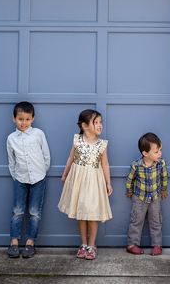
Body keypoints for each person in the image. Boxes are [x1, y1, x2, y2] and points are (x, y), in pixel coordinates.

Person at [58, 109, 113, 260]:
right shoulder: (77, 139)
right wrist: (65, 174)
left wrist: (108, 183)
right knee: (81, 214)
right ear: (84, 126)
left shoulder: (102, 144)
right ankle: (83, 244)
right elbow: (70, 158)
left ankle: (92, 245)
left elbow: (105, 164)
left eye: (100, 122)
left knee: (92, 214)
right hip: (78, 181)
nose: (99, 125)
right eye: (95, 122)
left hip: (94, 181)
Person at [6, 101, 51, 259]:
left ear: (32, 119)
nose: (23, 122)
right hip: (20, 178)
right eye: (20, 119)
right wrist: (17, 175)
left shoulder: (38, 134)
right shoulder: (11, 138)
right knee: (17, 211)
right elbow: (11, 161)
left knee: (34, 212)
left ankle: (30, 243)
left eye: (27, 119)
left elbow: (46, 156)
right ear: (14, 119)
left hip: (38, 178)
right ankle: (14, 243)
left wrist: (41, 172)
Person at [124, 132, 168, 256]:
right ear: (145, 153)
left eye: (160, 150)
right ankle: (132, 244)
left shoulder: (161, 164)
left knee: (156, 221)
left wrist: (164, 189)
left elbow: (164, 176)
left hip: (155, 197)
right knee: (137, 220)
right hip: (140, 197)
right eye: (156, 151)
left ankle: (157, 244)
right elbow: (130, 179)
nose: (160, 153)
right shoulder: (136, 165)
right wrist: (129, 190)